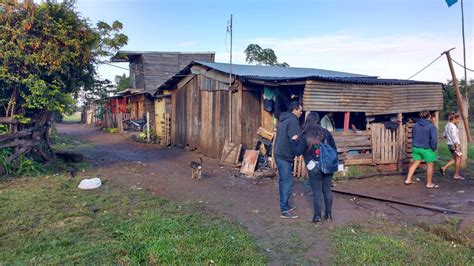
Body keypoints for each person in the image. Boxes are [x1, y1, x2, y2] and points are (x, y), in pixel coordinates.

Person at [291, 112, 336, 222]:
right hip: (327, 165)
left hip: (313, 167)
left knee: (317, 192)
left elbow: (297, 152)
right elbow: (333, 148)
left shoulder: (305, 134)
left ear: (308, 120)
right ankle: (329, 215)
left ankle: (317, 217)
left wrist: (293, 141)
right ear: (318, 120)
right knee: (327, 191)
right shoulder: (325, 133)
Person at [274, 101, 303, 219]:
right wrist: (299, 151)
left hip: (279, 154)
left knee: (284, 181)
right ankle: (284, 210)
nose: (301, 113)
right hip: (284, 156)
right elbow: (294, 139)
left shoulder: (283, 119)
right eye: (300, 110)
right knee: (287, 182)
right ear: (295, 110)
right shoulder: (293, 121)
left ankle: (285, 205)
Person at [404, 110, 439, 188]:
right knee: (430, 165)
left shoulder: (415, 125)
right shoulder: (431, 126)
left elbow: (413, 136)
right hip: (427, 149)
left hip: (416, 148)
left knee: (415, 163)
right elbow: (433, 139)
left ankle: (408, 179)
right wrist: (433, 148)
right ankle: (429, 183)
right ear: (429, 116)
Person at [440, 112, 464, 180]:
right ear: (454, 118)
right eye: (458, 119)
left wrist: (449, 137)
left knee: (455, 159)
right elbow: (454, 136)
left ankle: (443, 168)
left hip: (449, 145)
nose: (458, 120)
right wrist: (457, 146)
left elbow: (444, 135)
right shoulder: (453, 127)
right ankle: (456, 175)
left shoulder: (447, 125)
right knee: (459, 159)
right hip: (455, 145)